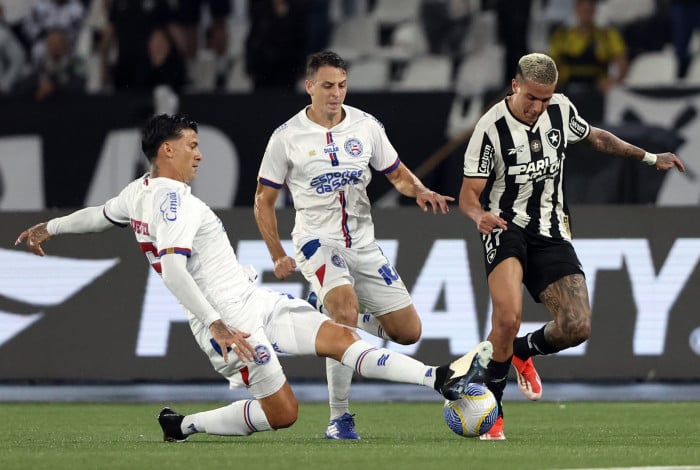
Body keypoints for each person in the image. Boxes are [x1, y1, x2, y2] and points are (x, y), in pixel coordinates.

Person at [15, 113, 493, 442]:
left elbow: (100, 215)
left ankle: (438, 378)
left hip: (252, 300)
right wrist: (217, 325)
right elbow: (174, 269)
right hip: (228, 324)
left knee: (340, 336)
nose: (199, 155)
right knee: (283, 414)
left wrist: (49, 227)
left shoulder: (139, 192)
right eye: (192, 146)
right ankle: (183, 426)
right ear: (167, 150)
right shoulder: (173, 201)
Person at [458, 52, 685, 441]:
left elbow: (596, 137)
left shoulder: (561, 110)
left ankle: (522, 350)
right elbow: (468, 194)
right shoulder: (490, 129)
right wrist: (478, 216)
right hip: (505, 227)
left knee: (577, 326)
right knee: (507, 319)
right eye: (531, 97)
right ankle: (492, 412)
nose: (538, 107)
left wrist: (649, 157)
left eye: (545, 98)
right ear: (515, 86)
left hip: (551, 231)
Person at [253, 50, 458, 440]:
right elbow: (263, 200)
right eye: (328, 86)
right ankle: (340, 418)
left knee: (408, 332)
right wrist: (277, 253)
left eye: (342, 86)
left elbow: (397, 174)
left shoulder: (366, 126)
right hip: (316, 240)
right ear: (309, 86)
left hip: (363, 244)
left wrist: (419, 190)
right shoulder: (286, 137)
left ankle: (327, 310)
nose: (336, 93)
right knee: (345, 311)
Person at [549, 0, 629, 94]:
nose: (585, 13)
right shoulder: (562, 36)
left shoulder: (607, 36)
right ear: (576, 10)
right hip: (567, 88)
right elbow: (552, 63)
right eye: (583, 10)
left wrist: (614, 82)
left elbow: (622, 62)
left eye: (588, 10)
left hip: (597, 90)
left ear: (594, 10)